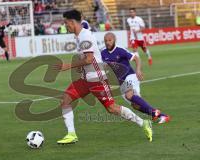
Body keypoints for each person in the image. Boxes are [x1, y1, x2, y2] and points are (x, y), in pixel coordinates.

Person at [55, 9, 153, 145]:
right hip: (85, 79)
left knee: (112, 108)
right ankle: (71, 134)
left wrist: (68, 65)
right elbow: (88, 58)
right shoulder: (78, 36)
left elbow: (89, 59)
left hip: (97, 79)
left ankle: (143, 123)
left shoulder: (85, 36)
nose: (66, 26)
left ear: (72, 22)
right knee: (65, 100)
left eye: (66, 23)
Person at [101, 32, 170, 124]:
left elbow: (136, 58)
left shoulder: (120, 50)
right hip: (120, 82)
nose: (108, 42)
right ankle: (161, 115)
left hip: (130, 76)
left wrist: (138, 70)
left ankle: (155, 113)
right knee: (135, 105)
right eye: (106, 41)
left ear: (114, 40)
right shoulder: (103, 53)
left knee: (129, 95)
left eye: (110, 40)